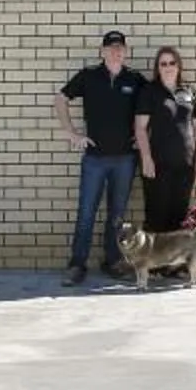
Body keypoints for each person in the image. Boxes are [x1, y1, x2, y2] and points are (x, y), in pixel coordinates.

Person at [55, 30, 144, 286]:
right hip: (94, 159)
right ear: (103, 51)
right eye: (111, 47)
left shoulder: (135, 79)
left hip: (125, 159)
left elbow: (151, 108)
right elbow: (61, 98)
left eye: (120, 48)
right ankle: (77, 264)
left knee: (117, 214)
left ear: (125, 51)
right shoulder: (89, 76)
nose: (116, 52)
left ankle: (113, 261)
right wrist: (71, 133)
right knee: (86, 213)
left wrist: (143, 136)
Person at [135, 45, 196, 234]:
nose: (168, 67)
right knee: (157, 215)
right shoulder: (149, 91)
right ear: (158, 68)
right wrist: (146, 158)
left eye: (172, 63)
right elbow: (140, 128)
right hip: (158, 164)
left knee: (180, 215)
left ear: (178, 65)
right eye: (163, 64)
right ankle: (155, 255)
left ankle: (176, 254)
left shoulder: (189, 92)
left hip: (185, 163)